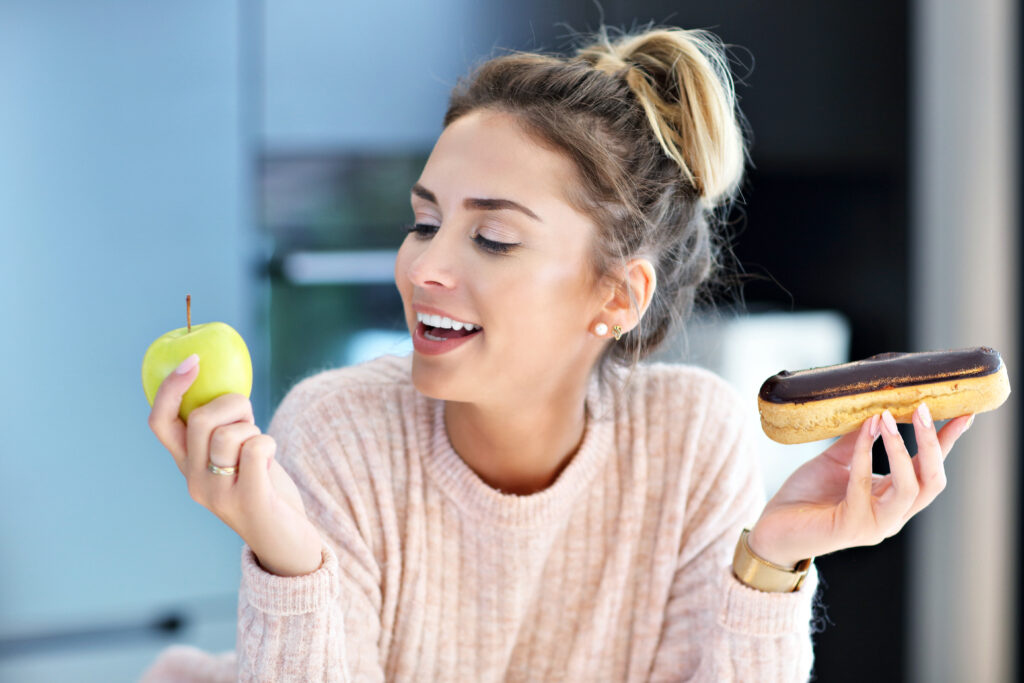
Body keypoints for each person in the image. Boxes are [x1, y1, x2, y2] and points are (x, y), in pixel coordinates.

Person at [141, 24, 973, 682]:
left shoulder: (688, 436)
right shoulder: (341, 428)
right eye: (425, 220)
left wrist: (776, 556)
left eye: (493, 237)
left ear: (617, 295)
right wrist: (289, 552)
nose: (424, 266)